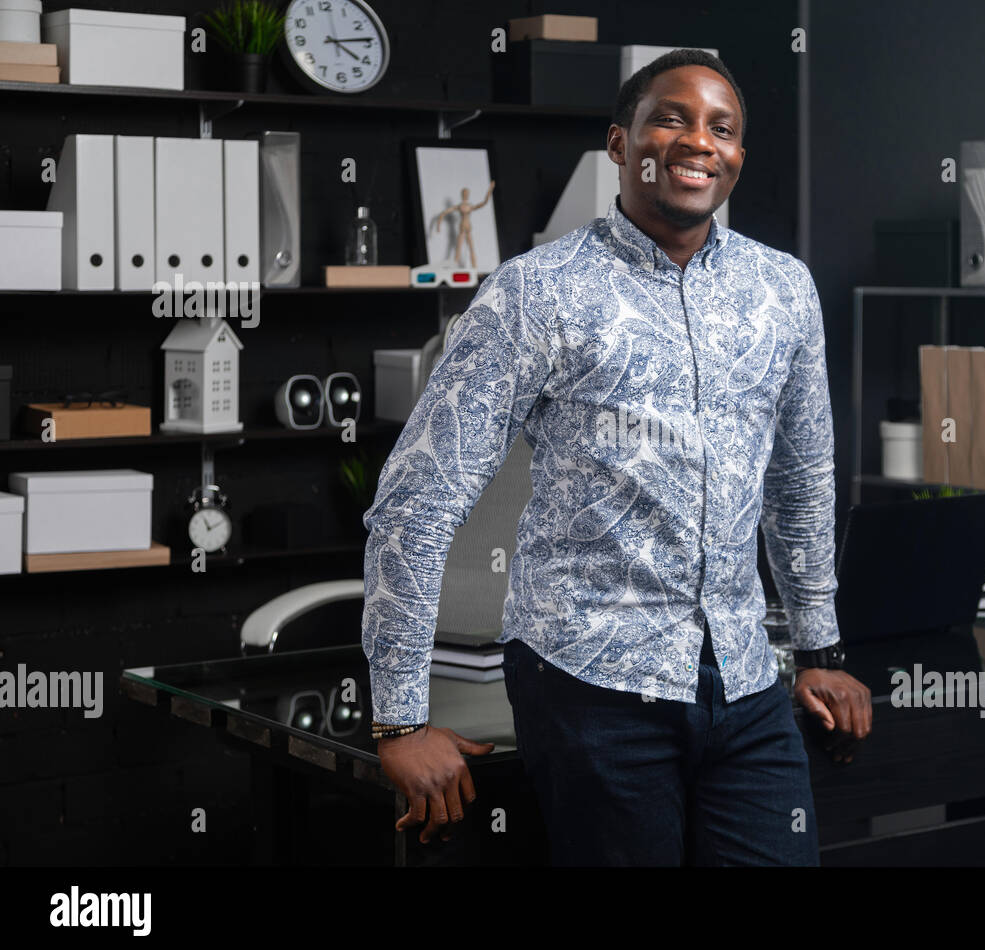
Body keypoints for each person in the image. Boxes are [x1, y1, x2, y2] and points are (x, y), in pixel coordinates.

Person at [362, 48, 872, 866]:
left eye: (723, 128)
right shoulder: (537, 292)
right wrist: (399, 716)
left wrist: (820, 650)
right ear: (619, 143)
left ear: (739, 156)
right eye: (670, 117)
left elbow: (801, 478)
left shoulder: (784, 290)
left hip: (744, 679)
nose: (698, 141)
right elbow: (417, 499)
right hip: (589, 685)